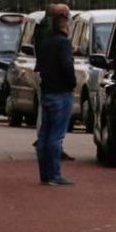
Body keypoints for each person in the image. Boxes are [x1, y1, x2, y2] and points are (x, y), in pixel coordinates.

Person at [35, 12, 77, 186]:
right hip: (61, 91)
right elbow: (67, 65)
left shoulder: (45, 43)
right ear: (64, 27)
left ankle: (45, 173)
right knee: (56, 135)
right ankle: (54, 173)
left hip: (47, 91)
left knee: (45, 133)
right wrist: (72, 83)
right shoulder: (64, 43)